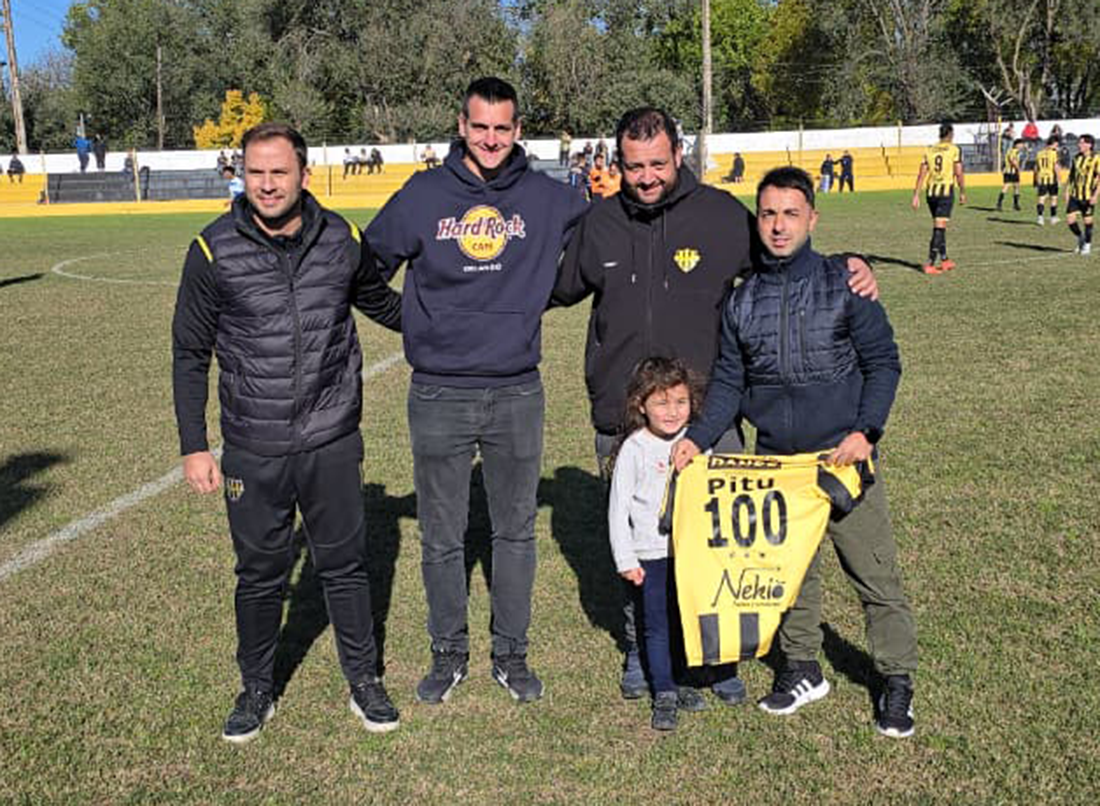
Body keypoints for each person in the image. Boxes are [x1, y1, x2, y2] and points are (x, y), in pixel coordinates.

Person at [551, 106, 877, 703]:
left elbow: (787, 254)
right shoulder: (599, 223)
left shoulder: (723, 217)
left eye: (656, 163)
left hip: (708, 417)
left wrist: (849, 265)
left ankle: (718, 654)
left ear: (678, 156)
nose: (645, 177)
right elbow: (551, 287)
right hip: (623, 418)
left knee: (716, 544)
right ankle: (640, 646)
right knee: (639, 539)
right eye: (632, 166)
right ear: (617, 163)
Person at [172, 122, 403, 743]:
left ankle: (364, 681)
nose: (267, 184)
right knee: (259, 573)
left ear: (304, 174)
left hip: (331, 437)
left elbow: (383, 303)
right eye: (255, 172)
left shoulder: (342, 239)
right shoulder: (212, 249)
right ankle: (255, 689)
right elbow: (189, 352)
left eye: (279, 172)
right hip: (254, 443)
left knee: (346, 566)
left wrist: (458, 323)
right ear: (240, 176)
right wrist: (194, 445)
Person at [364, 76, 589, 706]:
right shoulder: (423, 195)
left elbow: (617, 231)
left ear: (518, 130)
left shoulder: (549, 197)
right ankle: (448, 653)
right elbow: (365, 268)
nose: (491, 139)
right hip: (438, 393)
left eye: (503, 128)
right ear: (461, 125)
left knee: (514, 532)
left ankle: (511, 656)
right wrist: (412, 321)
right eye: (480, 126)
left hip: (518, 391)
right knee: (442, 533)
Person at [672, 166, 917, 739]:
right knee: (790, 576)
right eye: (768, 214)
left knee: (875, 576)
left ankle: (896, 678)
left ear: (812, 218)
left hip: (843, 459)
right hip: (779, 467)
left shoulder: (845, 283)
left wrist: (866, 433)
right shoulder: (742, 301)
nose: (778, 226)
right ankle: (803, 669)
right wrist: (695, 439)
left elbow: (885, 363)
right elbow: (730, 383)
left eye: (789, 213)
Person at [609, 357, 707, 731]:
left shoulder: (698, 444)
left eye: (680, 402)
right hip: (649, 555)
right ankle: (663, 690)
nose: (672, 411)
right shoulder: (635, 449)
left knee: (685, 620)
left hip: (690, 554)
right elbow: (618, 509)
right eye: (662, 403)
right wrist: (626, 558)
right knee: (655, 624)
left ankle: (681, 679)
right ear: (641, 405)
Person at [912, 122, 966, 274]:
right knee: (939, 227)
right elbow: (959, 172)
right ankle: (929, 263)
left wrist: (916, 195)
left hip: (931, 193)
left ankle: (945, 259)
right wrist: (962, 191)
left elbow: (922, 173)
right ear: (951, 134)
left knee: (940, 225)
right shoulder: (954, 149)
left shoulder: (929, 149)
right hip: (945, 191)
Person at [1064, 133, 1100, 255]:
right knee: (1070, 220)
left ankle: (1087, 245)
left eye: (1082, 142)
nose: (1079, 145)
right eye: (1079, 142)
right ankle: (1080, 237)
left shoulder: (1096, 158)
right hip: (1075, 195)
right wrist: (1066, 191)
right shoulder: (1076, 158)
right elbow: (1071, 176)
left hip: (1088, 196)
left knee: (1087, 221)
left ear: (1089, 145)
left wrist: (1095, 195)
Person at [1034, 135, 1062, 226]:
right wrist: (1059, 179)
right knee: (1053, 198)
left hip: (1041, 178)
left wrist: (1034, 180)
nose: (1056, 147)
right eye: (1056, 145)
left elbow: (1036, 168)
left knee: (1041, 198)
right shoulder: (1054, 154)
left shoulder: (1039, 153)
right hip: (1051, 178)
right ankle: (1053, 217)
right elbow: (1056, 167)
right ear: (1053, 144)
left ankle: (1040, 218)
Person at [998, 138, 1025, 212]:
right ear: (1017, 145)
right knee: (1008, 187)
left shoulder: (1010, 151)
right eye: (1021, 144)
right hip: (1011, 171)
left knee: (1016, 187)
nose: (1022, 146)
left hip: (1009, 171)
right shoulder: (1014, 152)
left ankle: (1014, 204)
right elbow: (1013, 161)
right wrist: (1018, 168)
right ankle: (1001, 203)